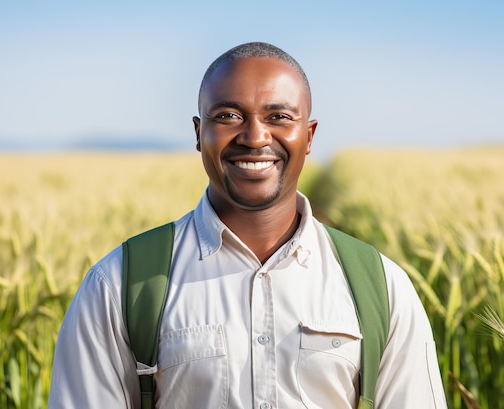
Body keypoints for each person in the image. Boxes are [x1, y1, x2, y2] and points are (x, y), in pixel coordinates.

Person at [48, 41, 448, 409]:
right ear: (198, 132)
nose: (255, 137)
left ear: (308, 136)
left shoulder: (382, 288)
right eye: (228, 115)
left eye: (278, 116)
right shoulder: (117, 284)